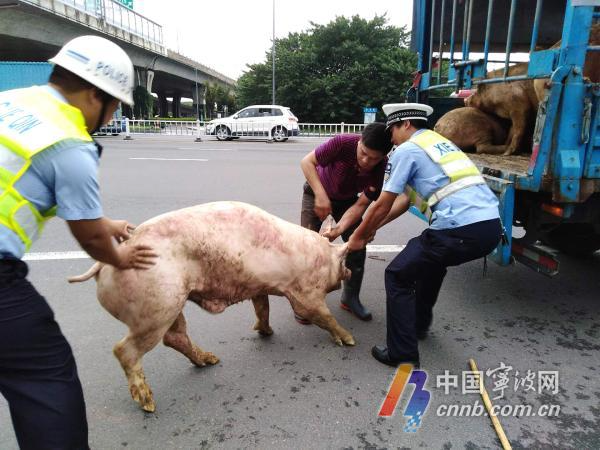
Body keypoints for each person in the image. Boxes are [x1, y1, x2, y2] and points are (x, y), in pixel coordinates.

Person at [0, 35, 157, 449]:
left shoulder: (12, 101)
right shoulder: (70, 142)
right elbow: (88, 237)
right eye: (115, 107)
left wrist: (106, 221)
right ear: (93, 96)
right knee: (44, 375)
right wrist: (119, 256)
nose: (111, 117)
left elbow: (18, 176)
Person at [347, 103, 502, 367]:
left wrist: (358, 237)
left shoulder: (407, 150)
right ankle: (418, 325)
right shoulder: (439, 143)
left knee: (397, 274)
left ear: (405, 124)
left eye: (392, 130)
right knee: (429, 262)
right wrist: (370, 228)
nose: (391, 138)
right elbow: (404, 200)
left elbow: (384, 202)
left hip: (458, 229)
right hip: (489, 227)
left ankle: (402, 354)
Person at [296, 122, 393, 324]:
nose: (366, 161)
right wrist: (321, 196)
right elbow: (307, 162)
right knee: (307, 245)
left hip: (348, 200)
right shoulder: (342, 143)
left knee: (357, 243)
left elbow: (361, 204)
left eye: (374, 158)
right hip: (316, 192)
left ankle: (350, 297)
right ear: (359, 141)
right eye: (363, 153)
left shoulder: (382, 168)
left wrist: (339, 228)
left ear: (383, 156)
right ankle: (305, 300)